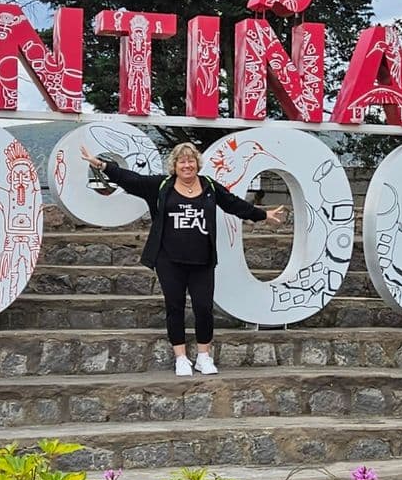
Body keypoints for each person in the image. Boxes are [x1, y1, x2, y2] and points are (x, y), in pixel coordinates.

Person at [80, 141, 284, 376]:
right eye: (181, 161)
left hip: (202, 260)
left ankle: (204, 357)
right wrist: (103, 166)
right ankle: (181, 358)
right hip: (169, 260)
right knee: (174, 307)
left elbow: (233, 204)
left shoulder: (208, 186)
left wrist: (262, 215)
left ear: (197, 163)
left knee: (204, 308)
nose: (186, 165)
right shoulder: (162, 185)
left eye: (190, 160)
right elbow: (131, 180)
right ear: (174, 165)